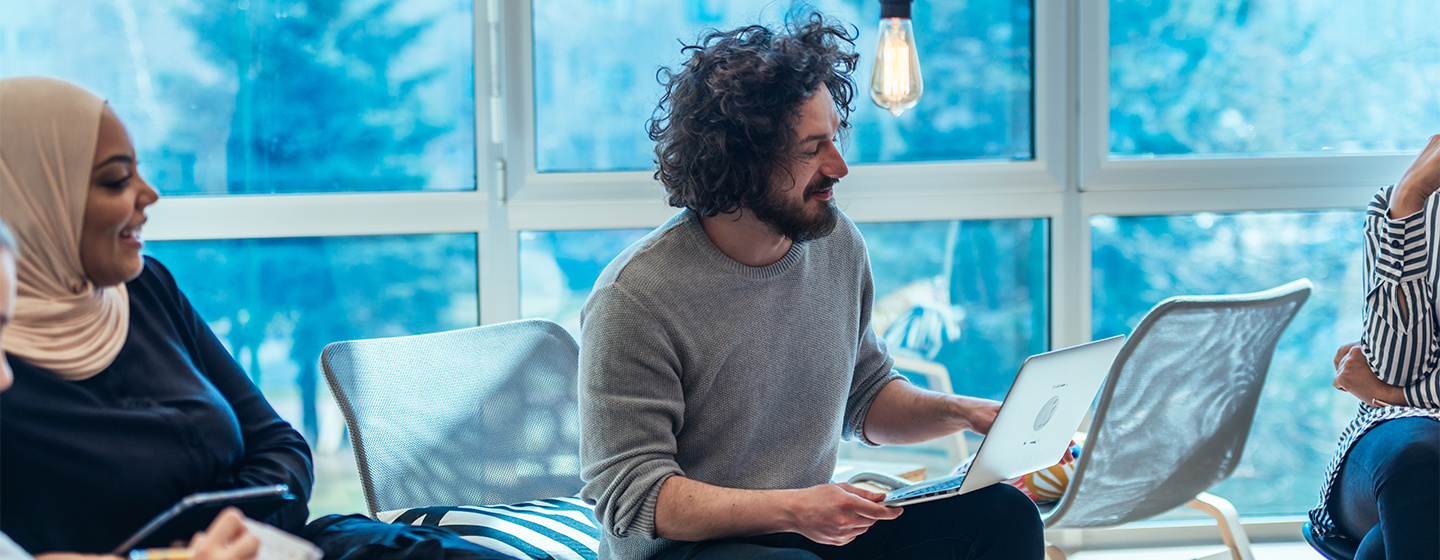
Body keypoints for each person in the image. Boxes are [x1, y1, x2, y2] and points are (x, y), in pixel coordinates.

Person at [578, 14, 1045, 560]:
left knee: (1001, 516)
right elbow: (632, 495)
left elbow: (864, 395)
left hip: (803, 529)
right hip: (685, 549)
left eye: (837, 138)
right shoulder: (636, 298)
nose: (839, 167)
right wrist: (796, 508)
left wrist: (963, 411)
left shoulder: (835, 242)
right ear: (742, 163)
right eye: (812, 148)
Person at [0, 77, 311, 556]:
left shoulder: (145, 288)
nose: (150, 194)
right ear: (32, 201)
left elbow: (281, 447)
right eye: (116, 180)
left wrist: (232, 540)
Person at [1314, 135, 1440, 559]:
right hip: (1413, 437)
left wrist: (1387, 395)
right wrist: (1408, 204)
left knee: (1382, 548)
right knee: (1417, 457)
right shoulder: (1398, 204)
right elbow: (1395, 367)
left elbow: (1386, 387)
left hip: (1401, 414)